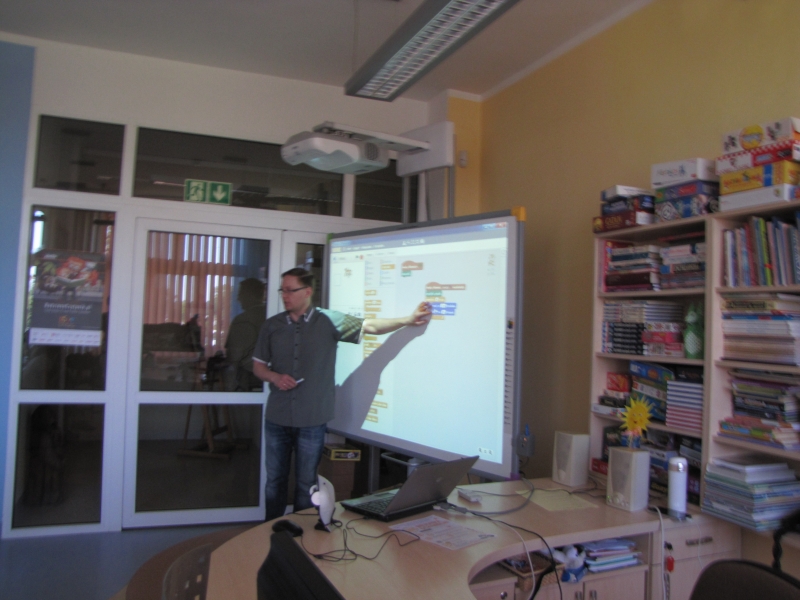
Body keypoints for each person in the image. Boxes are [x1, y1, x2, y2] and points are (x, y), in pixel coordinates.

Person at [253, 267, 431, 521]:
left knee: (306, 484)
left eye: (291, 290)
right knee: (274, 482)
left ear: (307, 291)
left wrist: (407, 320)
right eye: (283, 290)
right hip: (277, 418)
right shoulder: (272, 326)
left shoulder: (329, 321)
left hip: (312, 420)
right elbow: (258, 366)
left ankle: (300, 533)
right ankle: (270, 530)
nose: (285, 295)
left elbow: (370, 326)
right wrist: (275, 377)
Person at [223, 277, 267, 391]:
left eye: (240, 294)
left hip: (248, 383)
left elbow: (234, 355)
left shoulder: (243, 320)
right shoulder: (273, 317)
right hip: (267, 380)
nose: (238, 298)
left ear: (250, 295)